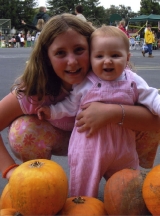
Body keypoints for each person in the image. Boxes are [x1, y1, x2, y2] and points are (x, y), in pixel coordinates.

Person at [1, 14, 160, 195]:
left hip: (116, 139)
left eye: (79, 50)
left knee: (152, 112)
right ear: (47, 57)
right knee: (23, 130)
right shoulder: (35, 89)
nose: (72, 61)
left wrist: (113, 112)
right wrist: (9, 169)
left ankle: (141, 177)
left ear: (92, 48)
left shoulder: (115, 73)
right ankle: (41, 185)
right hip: (75, 143)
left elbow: (155, 123)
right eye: (60, 53)